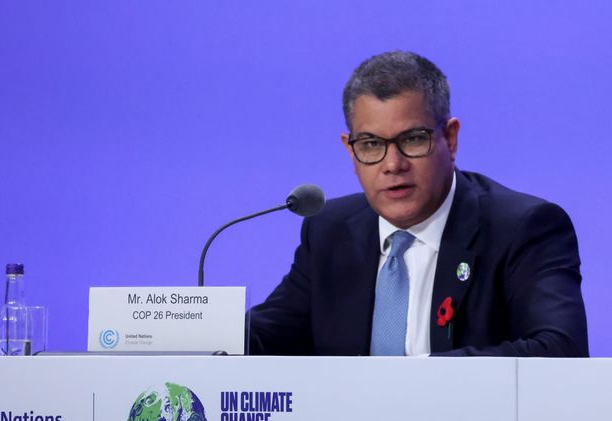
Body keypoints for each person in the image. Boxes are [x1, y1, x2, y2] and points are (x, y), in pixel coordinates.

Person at [248, 51, 588, 357]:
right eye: (370, 144)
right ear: (350, 150)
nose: (392, 164)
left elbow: (560, 348)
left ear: (450, 139)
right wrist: (203, 325)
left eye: (412, 140)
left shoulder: (522, 228)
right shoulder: (330, 231)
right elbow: (270, 334)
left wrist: (420, 386)